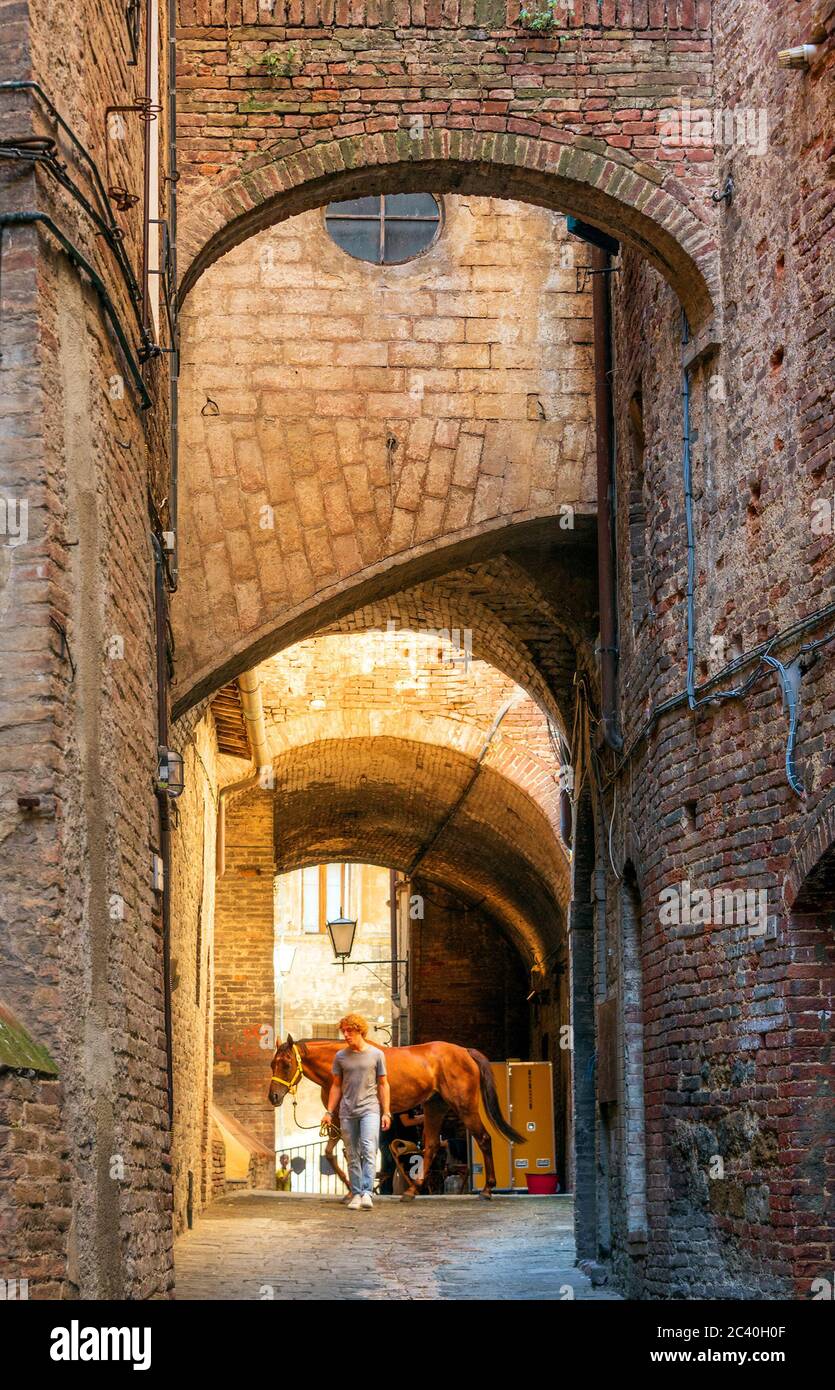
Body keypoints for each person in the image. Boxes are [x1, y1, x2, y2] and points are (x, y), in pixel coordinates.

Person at [323, 1013, 390, 1209]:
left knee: (369, 1149)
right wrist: (329, 1111)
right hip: (347, 1111)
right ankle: (357, 1193)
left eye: (349, 1031)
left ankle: (368, 1193)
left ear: (359, 1030)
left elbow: (384, 1084)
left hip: (370, 1109)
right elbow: (336, 1086)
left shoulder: (377, 1054)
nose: (345, 1034)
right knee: (352, 1153)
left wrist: (386, 1112)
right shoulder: (340, 1057)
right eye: (343, 1031)